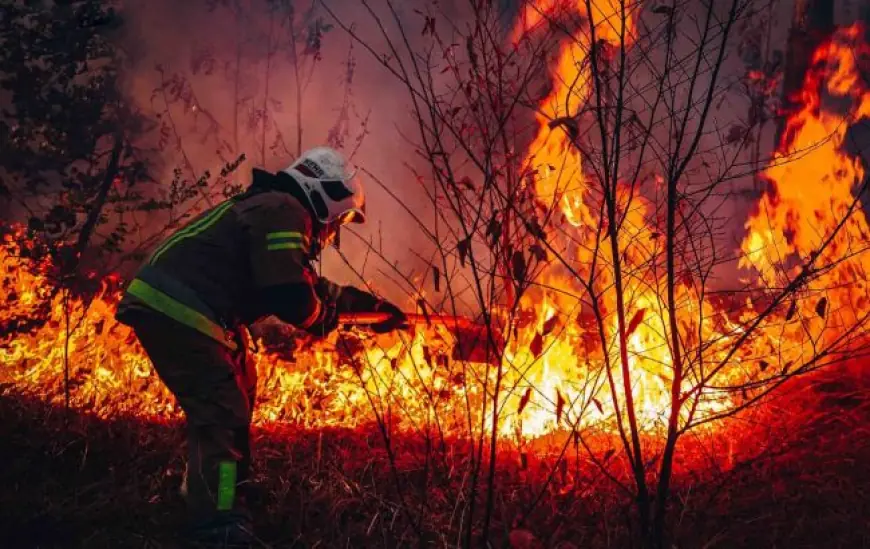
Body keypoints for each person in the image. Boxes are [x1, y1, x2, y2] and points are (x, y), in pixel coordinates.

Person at [114, 146, 406, 545]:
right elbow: (289, 294)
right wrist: (322, 319)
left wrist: (369, 308)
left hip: (188, 307)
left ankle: (223, 489)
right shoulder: (283, 210)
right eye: (338, 219)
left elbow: (302, 282)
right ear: (323, 194)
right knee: (221, 409)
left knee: (241, 384)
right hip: (179, 307)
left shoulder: (273, 208)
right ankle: (216, 524)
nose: (334, 231)